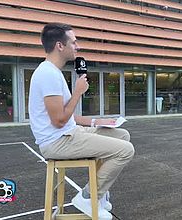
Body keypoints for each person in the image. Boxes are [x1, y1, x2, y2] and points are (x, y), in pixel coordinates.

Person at [28, 23, 134, 219]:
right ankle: (87, 197)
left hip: (69, 133)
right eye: (74, 42)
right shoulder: (47, 74)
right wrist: (77, 92)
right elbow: (59, 120)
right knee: (126, 150)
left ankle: (99, 195)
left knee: (122, 134)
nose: (78, 47)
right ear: (60, 46)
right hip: (57, 142)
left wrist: (98, 121)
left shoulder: (53, 72)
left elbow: (68, 116)